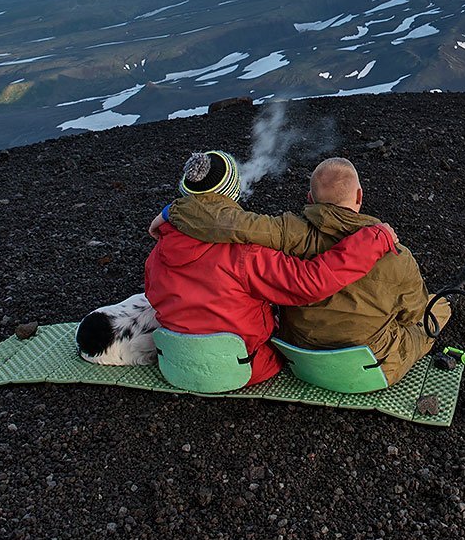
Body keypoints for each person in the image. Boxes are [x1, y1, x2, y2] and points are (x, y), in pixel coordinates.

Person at [155, 155, 448, 386]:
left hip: (287, 360)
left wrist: (174, 211)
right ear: (359, 195)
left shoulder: (158, 252)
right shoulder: (396, 256)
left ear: (310, 199)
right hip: (353, 368)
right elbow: (313, 282)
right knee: (438, 310)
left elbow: (237, 226)